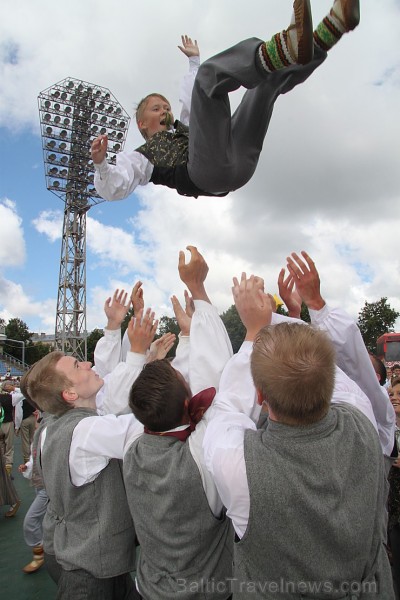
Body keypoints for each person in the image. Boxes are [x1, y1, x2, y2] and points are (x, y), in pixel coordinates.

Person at [203, 274, 394, 599]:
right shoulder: (364, 421)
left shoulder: (240, 468)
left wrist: (253, 332)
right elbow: (330, 369)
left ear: (259, 394)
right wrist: (299, 312)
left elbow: (228, 409)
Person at [92, 0, 360, 200]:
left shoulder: (185, 129)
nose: (164, 110)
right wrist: (102, 163)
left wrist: (194, 61)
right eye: (156, 108)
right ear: (142, 123)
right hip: (205, 173)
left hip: (240, 165)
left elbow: (194, 105)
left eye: (166, 106)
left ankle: (332, 29)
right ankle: (283, 48)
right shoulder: (142, 159)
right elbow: (115, 187)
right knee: (209, 77)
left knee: (264, 87)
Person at [20, 294, 158, 598]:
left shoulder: (56, 425)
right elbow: (146, 425)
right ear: (69, 394)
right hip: (89, 571)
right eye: (77, 366)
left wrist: (115, 328)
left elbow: (110, 396)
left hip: (79, 553)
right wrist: (137, 353)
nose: (87, 362)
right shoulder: (86, 431)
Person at [123, 246, 234, 600]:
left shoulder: (130, 448)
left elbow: (196, 381)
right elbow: (218, 377)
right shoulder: (202, 456)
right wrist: (198, 291)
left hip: (150, 588)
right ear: (190, 403)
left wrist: (186, 338)